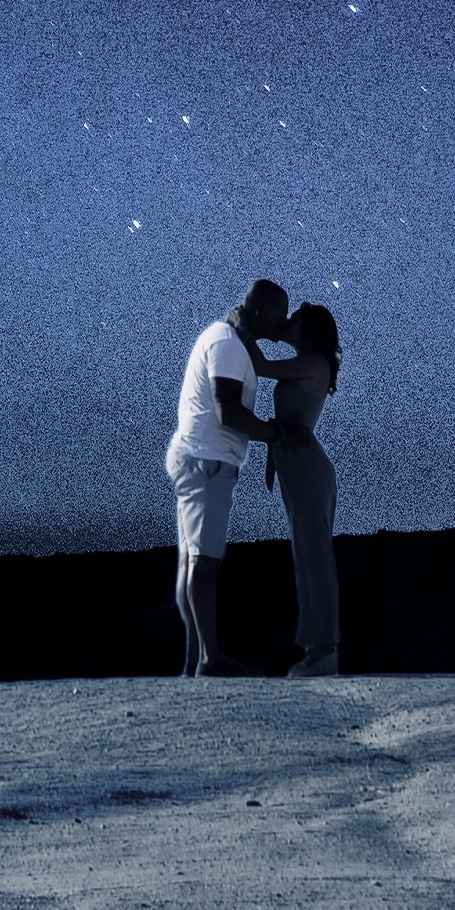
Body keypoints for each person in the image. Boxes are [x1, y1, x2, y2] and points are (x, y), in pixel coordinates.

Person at [163, 280, 289, 675]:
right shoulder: (229, 346)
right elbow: (228, 412)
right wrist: (272, 432)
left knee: (192, 561)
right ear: (259, 312)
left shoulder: (227, 338)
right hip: (207, 462)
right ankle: (210, 660)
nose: (283, 323)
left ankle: (194, 659)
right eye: (279, 315)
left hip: (198, 457)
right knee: (205, 563)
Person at [262, 300, 344, 675]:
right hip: (297, 470)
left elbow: (260, 367)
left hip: (309, 471)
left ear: (307, 328)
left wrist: (241, 325)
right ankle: (317, 648)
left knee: (316, 558)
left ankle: (326, 649)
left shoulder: (315, 364)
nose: (288, 320)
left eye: (294, 317)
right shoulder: (307, 363)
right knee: (305, 557)